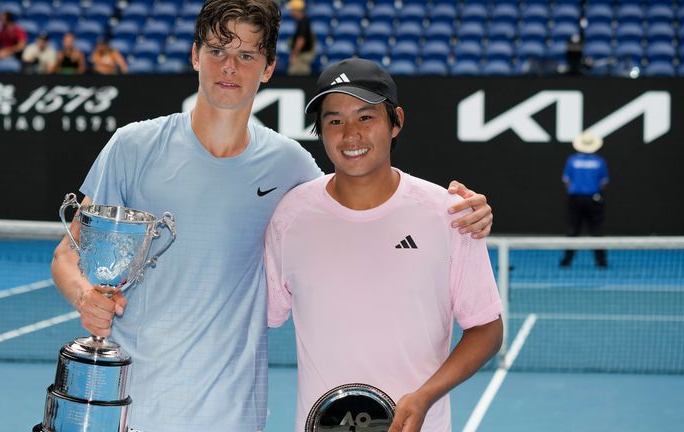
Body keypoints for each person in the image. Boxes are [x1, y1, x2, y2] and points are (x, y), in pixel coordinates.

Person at [51, 1, 493, 431]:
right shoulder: (132, 147)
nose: (229, 67)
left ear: (267, 68)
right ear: (194, 55)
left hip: (232, 415)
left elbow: (359, 196)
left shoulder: (290, 166)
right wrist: (84, 296)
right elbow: (68, 257)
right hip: (128, 405)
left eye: (246, 55)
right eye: (217, 51)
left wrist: (464, 212)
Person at [265, 58, 504, 432]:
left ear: (396, 122)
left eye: (365, 117)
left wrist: (425, 396)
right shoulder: (290, 216)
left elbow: (487, 329)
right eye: (334, 120)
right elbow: (256, 314)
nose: (350, 135)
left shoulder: (449, 214)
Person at [560, 130, 609, 268]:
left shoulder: (572, 160)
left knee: (572, 230)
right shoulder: (600, 162)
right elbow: (604, 183)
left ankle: (567, 260)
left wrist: (576, 189)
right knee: (597, 230)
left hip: (575, 199)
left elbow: (566, 181)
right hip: (594, 199)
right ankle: (601, 261)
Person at [286, 0, 315, 76]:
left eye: (292, 9)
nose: (291, 11)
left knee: (296, 76)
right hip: (301, 56)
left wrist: (294, 54)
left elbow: (301, 40)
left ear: (297, 10)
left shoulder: (303, 22)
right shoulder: (302, 21)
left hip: (301, 57)